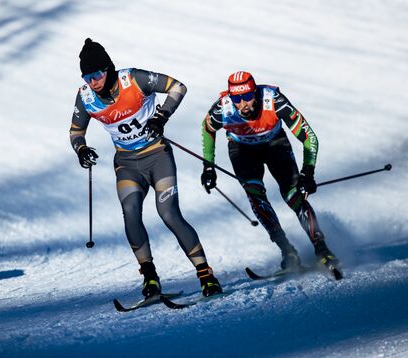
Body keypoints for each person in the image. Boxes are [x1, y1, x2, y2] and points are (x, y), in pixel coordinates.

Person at [70, 38, 222, 297]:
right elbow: (76, 131)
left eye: (96, 75)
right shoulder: (85, 97)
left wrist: (161, 117)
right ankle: (150, 278)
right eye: (87, 77)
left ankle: (206, 275)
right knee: (130, 213)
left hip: (157, 157)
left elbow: (178, 87)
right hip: (127, 165)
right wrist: (81, 149)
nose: (93, 82)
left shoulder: (134, 79)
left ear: (108, 69)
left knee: (169, 214)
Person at [200, 71, 340, 273]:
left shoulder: (273, 100)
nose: (243, 104)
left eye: (247, 97)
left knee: (294, 195)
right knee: (256, 197)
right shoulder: (223, 107)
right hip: (242, 150)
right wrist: (208, 166)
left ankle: (322, 249)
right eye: (237, 99)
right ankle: (287, 251)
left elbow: (309, 137)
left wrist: (308, 173)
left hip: (275, 145)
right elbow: (207, 129)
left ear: (255, 93)